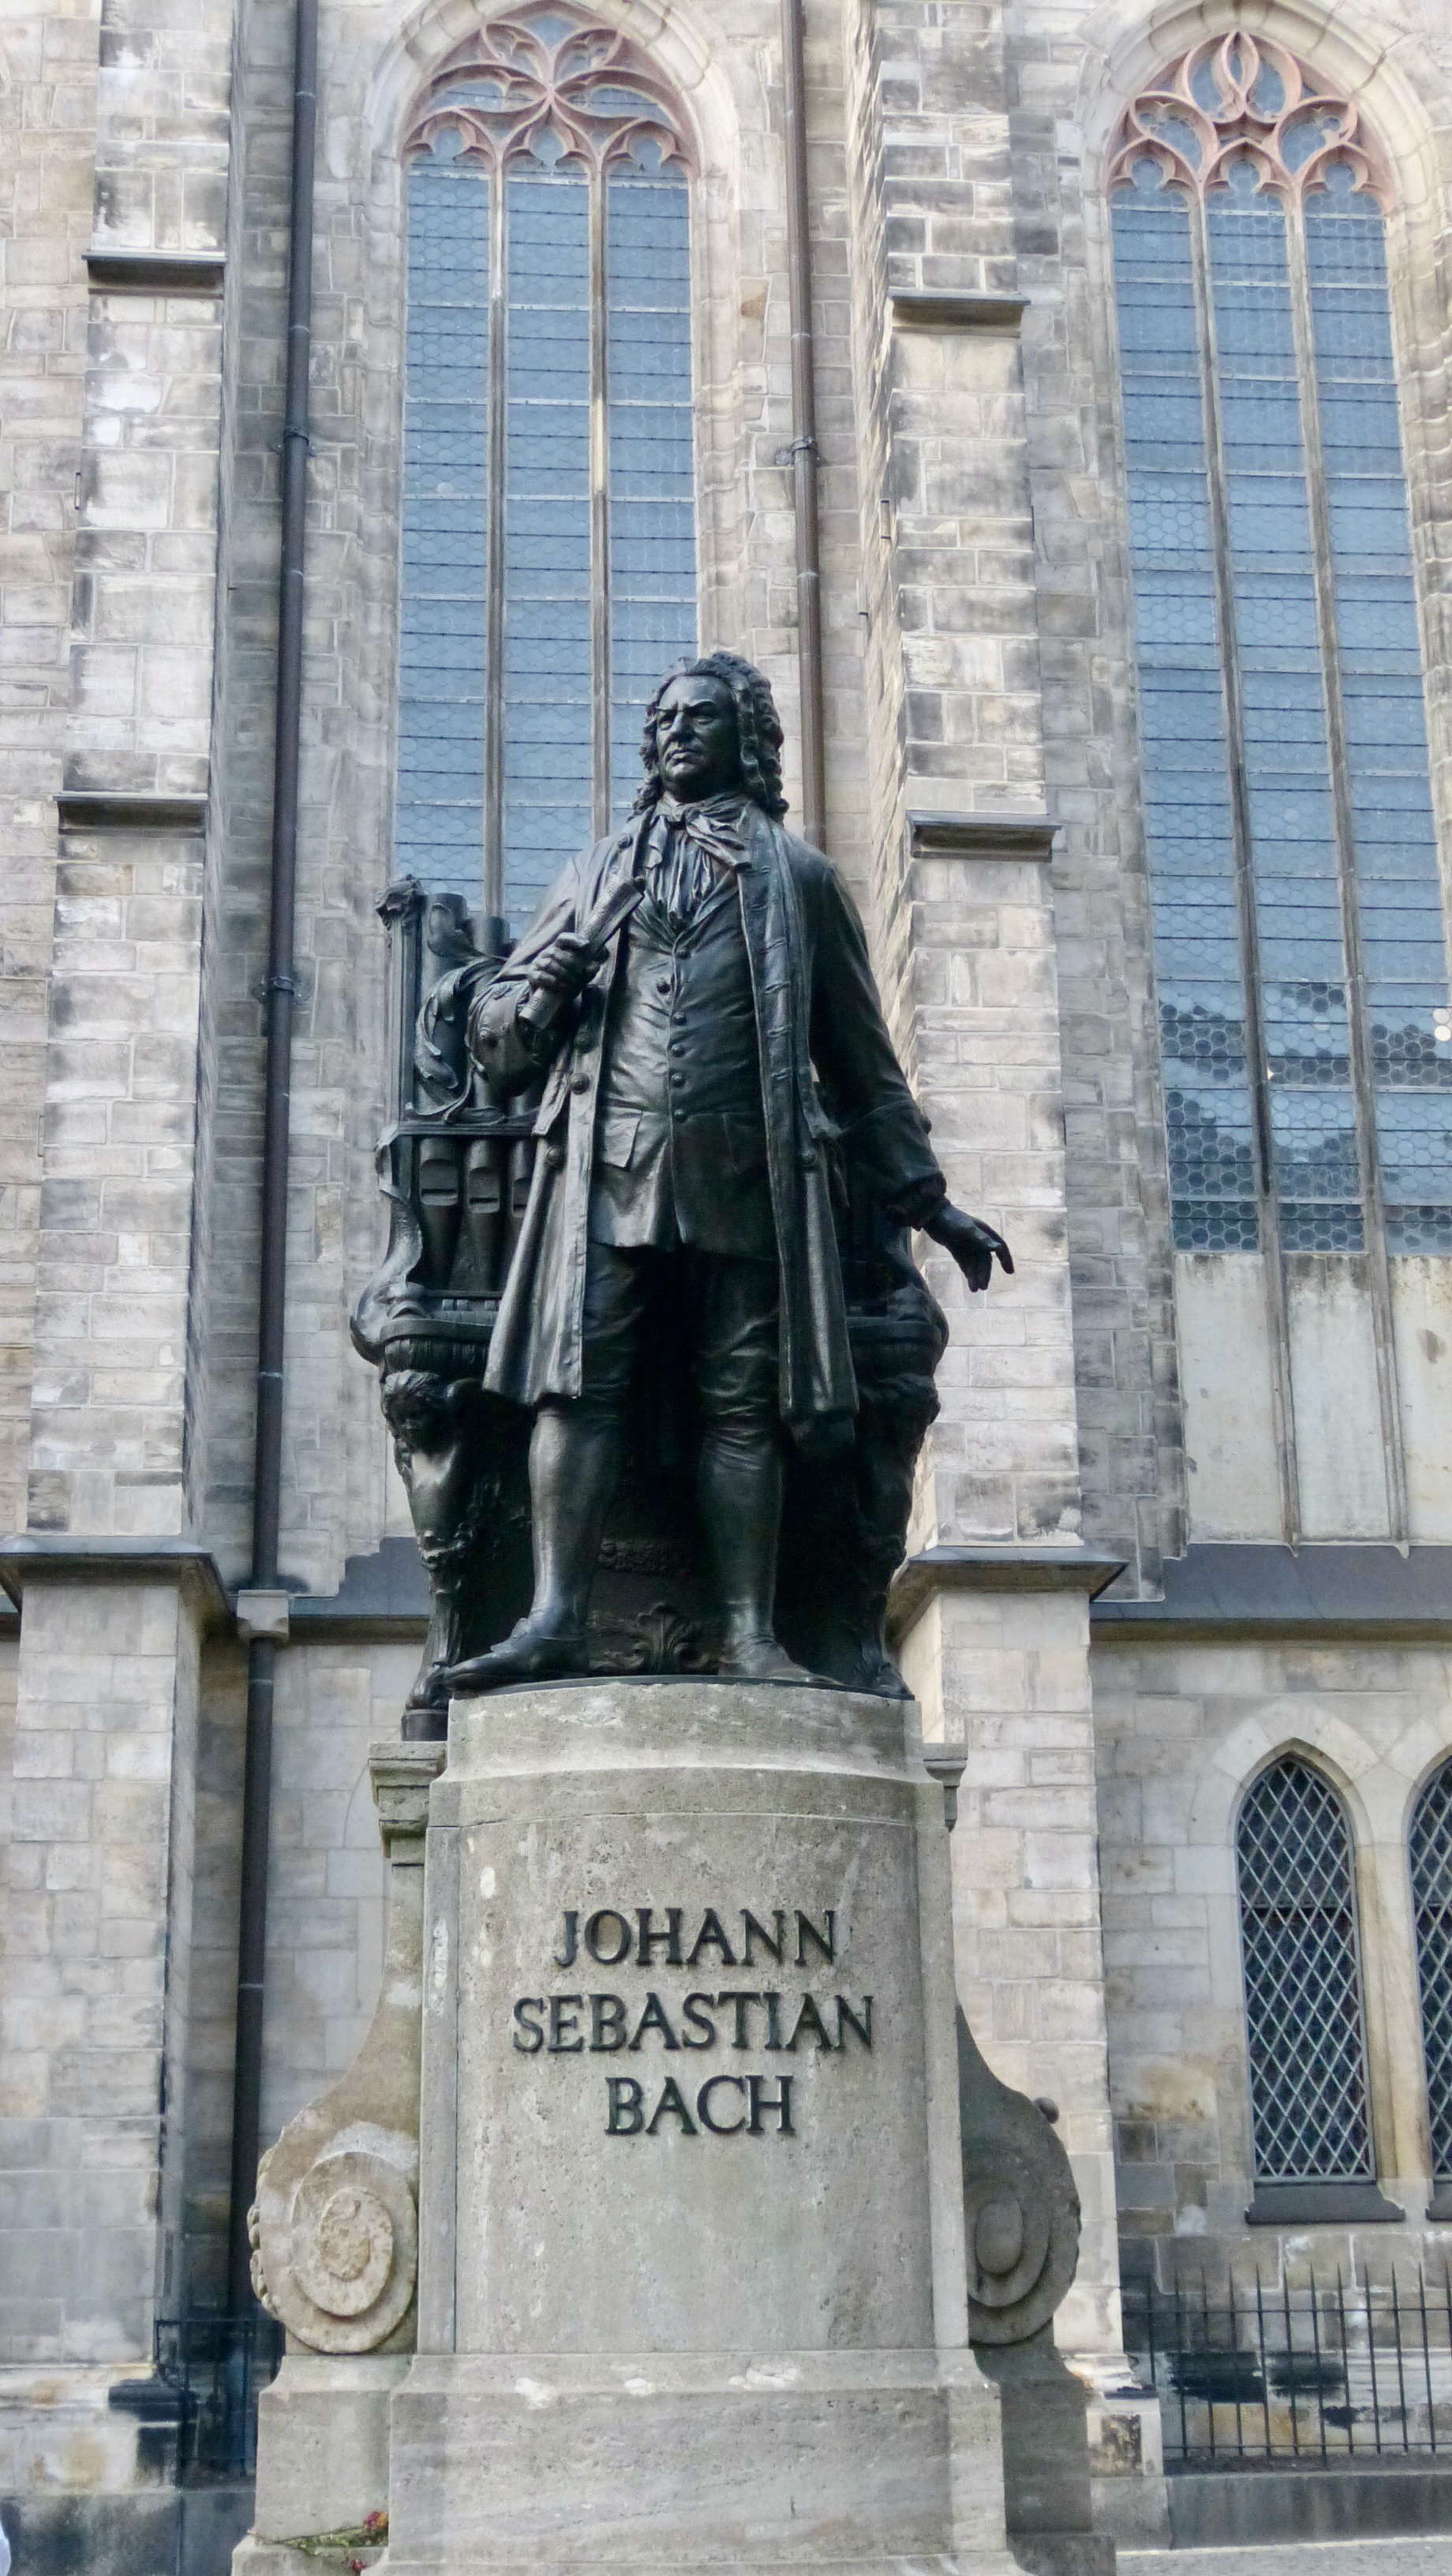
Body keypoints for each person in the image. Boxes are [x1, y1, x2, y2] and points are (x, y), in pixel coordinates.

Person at [451, 650, 1010, 1687]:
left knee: (743, 1405)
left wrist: (932, 1206)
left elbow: (862, 1067)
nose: (674, 734)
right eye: (662, 719)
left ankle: (753, 1633)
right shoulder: (594, 873)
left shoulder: (798, 880)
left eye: (698, 719)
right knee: (576, 1389)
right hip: (604, 1177)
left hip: (745, 1180)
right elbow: (496, 1040)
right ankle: (557, 1617)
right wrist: (549, 986)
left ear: (747, 741)